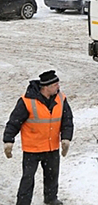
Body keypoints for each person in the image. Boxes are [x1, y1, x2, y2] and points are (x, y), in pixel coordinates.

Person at [3, 70, 74, 205]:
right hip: (32, 148)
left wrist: (66, 138)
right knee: (28, 178)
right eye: (55, 85)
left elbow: (67, 120)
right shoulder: (27, 101)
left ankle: (51, 198)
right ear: (45, 87)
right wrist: (8, 140)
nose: (58, 87)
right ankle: (23, 202)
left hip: (51, 147)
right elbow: (14, 121)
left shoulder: (61, 99)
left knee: (52, 176)